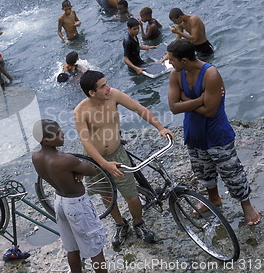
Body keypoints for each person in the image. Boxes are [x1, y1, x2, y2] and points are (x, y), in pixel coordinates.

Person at [74, 70, 174, 248]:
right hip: (95, 161)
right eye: (103, 86)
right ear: (92, 92)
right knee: (107, 196)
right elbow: (86, 142)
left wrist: (160, 128)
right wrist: (104, 163)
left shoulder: (113, 96)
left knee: (132, 196)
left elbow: (139, 109)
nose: (108, 88)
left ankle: (138, 223)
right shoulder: (80, 111)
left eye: (107, 83)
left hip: (118, 154)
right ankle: (120, 224)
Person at [166, 38, 260, 226]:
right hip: (194, 134)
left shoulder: (211, 74)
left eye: (172, 59)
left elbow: (210, 111)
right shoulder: (176, 75)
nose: (169, 63)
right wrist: (199, 99)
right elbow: (174, 107)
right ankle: (214, 199)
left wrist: (186, 100)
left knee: (231, 171)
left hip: (217, 134)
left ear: (184, 60)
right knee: (203, 171)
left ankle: (246, 205)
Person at [31, 119, 107, 273]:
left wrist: (75, 169)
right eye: (57, 133)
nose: (63, 134)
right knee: (95, 249)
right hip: (77, 205)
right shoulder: (65, 160)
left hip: (59, 202)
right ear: (46, 140)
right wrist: (78, 169)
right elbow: (93, 170)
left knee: (72, 248)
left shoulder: (36, 156)